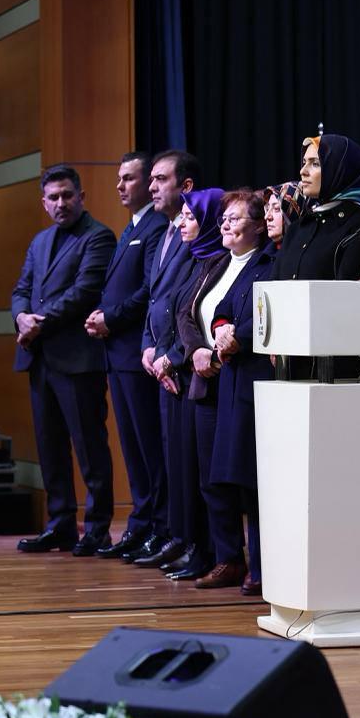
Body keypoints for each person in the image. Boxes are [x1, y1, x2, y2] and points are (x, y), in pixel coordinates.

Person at [12, 165, 116, 556]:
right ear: (43, 202)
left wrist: (38, 323)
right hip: (40, 358)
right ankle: (60, 525)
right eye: (53, 197)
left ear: (81, 197)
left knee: (89, 448)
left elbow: (84, 291)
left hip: (78, 359)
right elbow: (21, 289)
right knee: (50, 448)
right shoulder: (39, 241)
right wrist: (21, 317)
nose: (61, 203)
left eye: (67, 195)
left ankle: (98, 529)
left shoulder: (99, 236)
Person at [82, 152, 170, 560]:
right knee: (132, 450)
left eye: (129, 178)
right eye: (119, 178)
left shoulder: (156, 226)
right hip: (116, 354)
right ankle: (140, 523)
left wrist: (110, 318)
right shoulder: (132, 226)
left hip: (137, 352)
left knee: (149, 448)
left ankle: (158, 526)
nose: (120, 185)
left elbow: (149, 289)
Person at [131, 150, 210, 567]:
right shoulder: (165, 231)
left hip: (180, 364)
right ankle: (178, 537)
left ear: (187, 186)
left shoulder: (200, 231)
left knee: (189, 463)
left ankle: (195, 542)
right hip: (161, 360)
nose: (152, 187)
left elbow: (188, 304)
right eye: (152, 179)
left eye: (160, 179)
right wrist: (148, 345)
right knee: (170, 458)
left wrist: (169, 355)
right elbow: (155, 299)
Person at [147, 187, 227, 580]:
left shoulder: (220, 262)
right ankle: (191, 544)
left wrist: (174, 357)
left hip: (199, 375)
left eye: (191, 217)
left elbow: (200, 321)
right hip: (178, 372)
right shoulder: (197, 261)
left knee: (202, 473)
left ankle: (209, 551)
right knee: (182, 468)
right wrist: (162, 355)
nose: (182, 223)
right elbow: (176, 313)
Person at [202, 190, 277, 596]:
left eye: (236, 218)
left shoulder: (274, 261)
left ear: (260, 226)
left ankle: (264, 569)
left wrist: (237, 336)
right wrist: (221, 329)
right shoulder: (245, 267)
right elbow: (224, 307)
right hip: (236, 378)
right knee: (240, 480)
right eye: (224, 219)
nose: (226, 225)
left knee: (258, 480)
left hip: (258, 377)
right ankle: (251, 565)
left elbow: (271, 314)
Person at [274, 134, 360, 381]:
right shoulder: (300, 227)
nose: (303, 171)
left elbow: (351, 300)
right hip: (289, 362)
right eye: (304, 163)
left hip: (339, 368)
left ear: (340, 169)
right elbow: (276, 284)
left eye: (315, 164)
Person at [265, 181, 303, 248]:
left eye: (276, 208)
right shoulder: (265, 253)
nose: (267, 217)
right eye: (267, 209)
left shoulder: (308, 252)